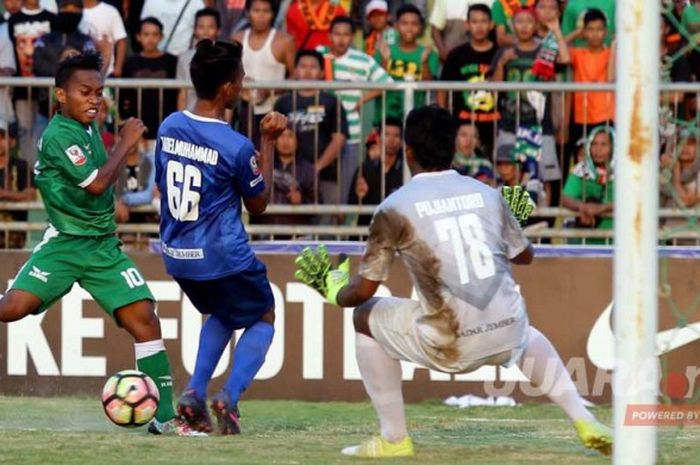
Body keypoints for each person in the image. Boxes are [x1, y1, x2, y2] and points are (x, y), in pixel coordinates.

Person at [294, 105, 613, 458]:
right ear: (453, 148)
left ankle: (394, 438)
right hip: (508, 332)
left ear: (408, 151)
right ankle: (583, 418)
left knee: (362, 317)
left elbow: (365, 290)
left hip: (449, 342)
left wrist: (335, 290)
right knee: (526, 333)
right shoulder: (487, 193)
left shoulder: (394, 207)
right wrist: (509, 221)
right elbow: (525, 256)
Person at [0, 52, 201, 436]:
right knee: (11, 309)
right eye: (85, 92)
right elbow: (95, 183)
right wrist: (126, 142)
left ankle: (163, 417)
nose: (95, 99)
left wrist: (100, 59)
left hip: (102, 247)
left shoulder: (85, 120)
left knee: (145, 320)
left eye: (99, 92)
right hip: (65, 243)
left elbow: (97, 183)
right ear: (61, 95)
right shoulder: (59, 135)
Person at [155, 39, 288, 434]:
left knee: (224, 313)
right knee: (263, 314)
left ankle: (193, 393)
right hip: (222, 255)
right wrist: (267, 142)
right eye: (241, 79)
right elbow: (259, 203)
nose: (243, 85)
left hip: (177, 252)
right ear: (228, 88)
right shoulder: (235, 145)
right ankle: (228, 397)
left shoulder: (169, 126)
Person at [491, 6, 568, 205]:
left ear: (535, 25)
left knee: (544, 176)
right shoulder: (504, 52)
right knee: (512, 175)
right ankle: (517, 225)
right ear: (512, 25)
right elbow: (494, 88)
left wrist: (556, 31)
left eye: (529, 21)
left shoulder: (544, 50)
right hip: (510, 123)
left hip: (540, 125)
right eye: (519, 21)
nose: (524, 26)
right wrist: (501, 64)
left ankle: (544, 228)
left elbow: (566, 59)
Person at [317, 15, 392, 206]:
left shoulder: (362, 60)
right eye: (337, 34)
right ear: (329, 35)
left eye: (346, 35)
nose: (341, 39)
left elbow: (388, 83)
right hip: (320, 133)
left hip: (352, 134)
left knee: (346, 188)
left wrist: (362, 99)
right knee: (318, 187)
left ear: (352, 37)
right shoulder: (319, 55)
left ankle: (340, 232)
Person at [273, 49, 348, 208]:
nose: (307, 71)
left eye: (313, 67)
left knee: (325, 225)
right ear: (295, 70)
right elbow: (274, 136)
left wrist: (316, 168)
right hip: (286, 176)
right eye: (302, 66)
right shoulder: (283, 102)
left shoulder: (331, 101)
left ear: (321, 72)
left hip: (326, 175)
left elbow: (339, 138)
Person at [438, 3, 499, 156]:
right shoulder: (456, 55)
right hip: (462, 126)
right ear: (467, 25)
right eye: (474, 21)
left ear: (491, 24)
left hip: (494, 125)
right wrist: (443, 118)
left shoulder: (501, 54)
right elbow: (442, 88)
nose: (479, 26)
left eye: (484, 21)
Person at [234, 0, 295, 148]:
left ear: (272, 14)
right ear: (248, 13)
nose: (261, 16)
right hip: (245, 110)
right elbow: (231, 73)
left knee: (271, 157)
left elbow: (295, 76)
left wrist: (268, 91)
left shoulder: (284, 41)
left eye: (266, 11)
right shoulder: (238, 39)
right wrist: (241, 84)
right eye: (256, 11)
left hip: (275, 111)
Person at [119, 17, 178, 154]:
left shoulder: (172, 61)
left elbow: (178, 96)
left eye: (155, 34)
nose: (150, 39)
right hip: (138, 132)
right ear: (138, 37)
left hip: (167, 130)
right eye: (146, 34)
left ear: (161, 37)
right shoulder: (130, 63)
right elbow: (123, 99)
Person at [8, 0, 55, 165]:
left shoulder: (51, 18)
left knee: (49, 133)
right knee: (26, 132)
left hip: (48, 89)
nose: (29, 51)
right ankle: (30, 174)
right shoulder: (14, 19)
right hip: (22, 89)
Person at [375, 4, 439, 123]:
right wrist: (385, 60)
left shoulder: (429, 53)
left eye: (414, 24)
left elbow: (428, 84)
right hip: (386, 118)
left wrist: (424, 62)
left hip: (416, 119)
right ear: (396, 26)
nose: (409, 28)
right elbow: (377, 84)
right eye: (404, 23)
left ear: (420, 27)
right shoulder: (384, 50)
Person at [568, 8, 614, 146]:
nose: (595, 34)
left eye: (599, 29)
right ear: (584, 32)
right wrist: (576, 33)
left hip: (606, 115)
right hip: (582, 116)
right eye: (590, 29)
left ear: (606, 32)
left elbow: (612, 78)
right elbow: (556, 49)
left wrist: (615, 45)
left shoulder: (612, 53)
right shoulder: (577, 53)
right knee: (582, 158)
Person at [561, 125, 614, 244]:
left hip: (617, 242)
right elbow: (565, 198)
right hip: (583, 243)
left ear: (613, 147)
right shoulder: (581, 169)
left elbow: (632, 201)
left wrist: (602, 208)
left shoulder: (626, 171)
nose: (597, 149)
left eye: (603, 144)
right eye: (594, 144)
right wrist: (582, 207)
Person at [347, 117, 403, 225]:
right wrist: (359, 197)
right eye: (386, 135)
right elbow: (350, 206)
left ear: (401, 142)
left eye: (396, 136)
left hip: (394, 233)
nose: (391, 140)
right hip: (367, 231)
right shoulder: (365, 169)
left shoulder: (405, 172)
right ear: (378, 138)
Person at [177, 7, 222, 111]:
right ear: (195, 30)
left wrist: (226, 124)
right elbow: (182, 93)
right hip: (190, 116)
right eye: (201, 27)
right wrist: (181, 122)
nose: (206, 31)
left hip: (216, 117)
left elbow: (227, 94)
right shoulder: (184, 58)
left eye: (211, 27)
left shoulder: (226, 57)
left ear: (218, 30)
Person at [78, 0, 127, 76]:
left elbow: (121, 40)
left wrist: (118, 68)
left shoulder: (110, 11)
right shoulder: (74, 11)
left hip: (107, 74)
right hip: (79, 75)